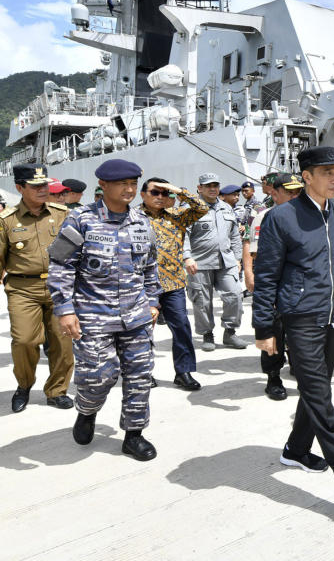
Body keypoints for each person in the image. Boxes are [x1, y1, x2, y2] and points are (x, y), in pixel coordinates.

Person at [253, 146, 334, 516]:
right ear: (306, 176)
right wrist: (264, 326)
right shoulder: (281, 217)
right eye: (325, 172)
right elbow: (266, 277)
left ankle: (295, 450)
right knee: (321, 394)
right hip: (301, 318)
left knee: (315, 389)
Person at [47, 158, 161, 461]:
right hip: (94, 316)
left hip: (136, 316)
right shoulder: (81, 219)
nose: (129, 189)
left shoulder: (141, 220)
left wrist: (152, 300)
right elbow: (60, 266)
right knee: (99, 376)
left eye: (133, 184)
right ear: (104, 185)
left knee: (140, 375)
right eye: (122, 184)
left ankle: (133, 435)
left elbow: (150, 266)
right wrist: (65, 309)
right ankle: (87, 411)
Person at [1, 164, 74, 412]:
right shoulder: (7, 221)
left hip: (60, 287)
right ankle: (24, 385)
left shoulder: (62, 213)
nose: (43, 190)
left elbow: (77, 251)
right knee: (24, 340)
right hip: (23, 288)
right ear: (20, 188)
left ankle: (56, 390)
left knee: (63, 342)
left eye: (44, 185)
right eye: (35, 186)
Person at [139, 177, 209, 391]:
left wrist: (178, 190)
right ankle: (142, 373)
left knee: (181, 328)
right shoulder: (131, 217)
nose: (161, 197)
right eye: (155, 192)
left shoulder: (177, 216)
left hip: (173, 284)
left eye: (164, 193)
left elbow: (202, 207)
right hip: (141, 285)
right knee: (142, 331)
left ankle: (184, 372)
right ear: (143, 194)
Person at [243, 172, 304, 401]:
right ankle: (273, 376)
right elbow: (254, 249)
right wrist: (250, 274)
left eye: (298, 191)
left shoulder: (309, 215)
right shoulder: (265, 217)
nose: (295, 196)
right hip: (275, 284)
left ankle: (298, 367)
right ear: (274, 193)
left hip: (300, 286)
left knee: (299, 332)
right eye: (289, 192)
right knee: (273, 330)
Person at [184, 172, 246, 351]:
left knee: (234, 295)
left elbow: (234, 235)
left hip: (226, 261)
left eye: (215, 186)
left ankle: (230, 332)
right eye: (208, 186)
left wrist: (237, 258)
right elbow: (184, 236)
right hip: (200, 263)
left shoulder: (226, 208)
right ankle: (207, 334)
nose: (212, 189)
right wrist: (187, 257)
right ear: (200, 188)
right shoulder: (191, 208)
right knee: (202, 301)